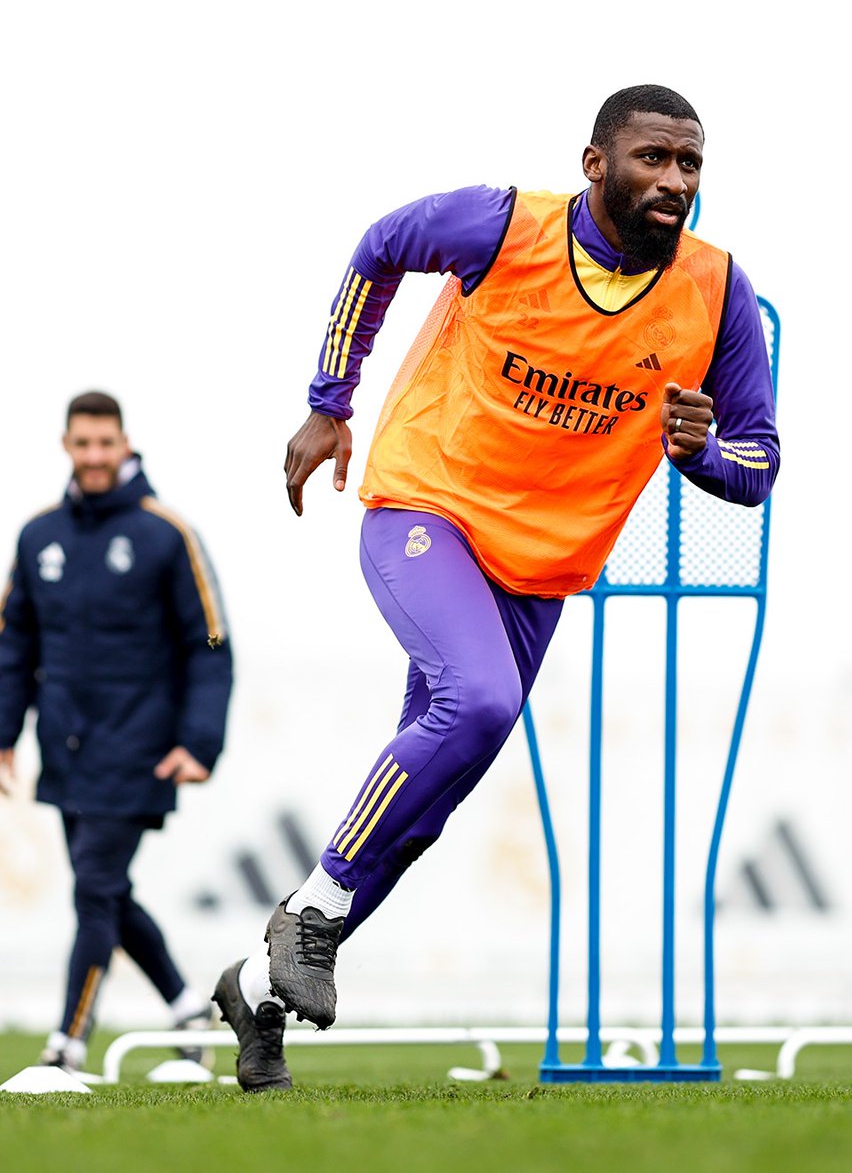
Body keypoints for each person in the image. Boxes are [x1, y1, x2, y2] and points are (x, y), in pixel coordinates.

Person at [212, 84, 779, 1092]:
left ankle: (258, 989)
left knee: (420, 810)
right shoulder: (500, 225)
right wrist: (326, 402)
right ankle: (309, 918)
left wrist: (700, 456)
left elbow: (760, 463)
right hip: (425, 508)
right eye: (654, 158)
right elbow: (380, 245)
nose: (675, 183)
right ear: (596, 163)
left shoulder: (717, 291)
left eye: (691, 165)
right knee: (477, 701)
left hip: (540, 571)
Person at [0, 391, 233, 1073]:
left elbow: (211, 644)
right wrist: (5, 736)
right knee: (106, 894)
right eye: (84, 444)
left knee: (94, 889)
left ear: (125, 445)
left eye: (107, 444)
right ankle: (190, 1008)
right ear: (67, 447)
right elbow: (14, 646)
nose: (96, 456)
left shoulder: (168, 533)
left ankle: (67, 1044)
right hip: (67, 748)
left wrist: (200, 742)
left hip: (142, 750)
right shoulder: (38, 536)